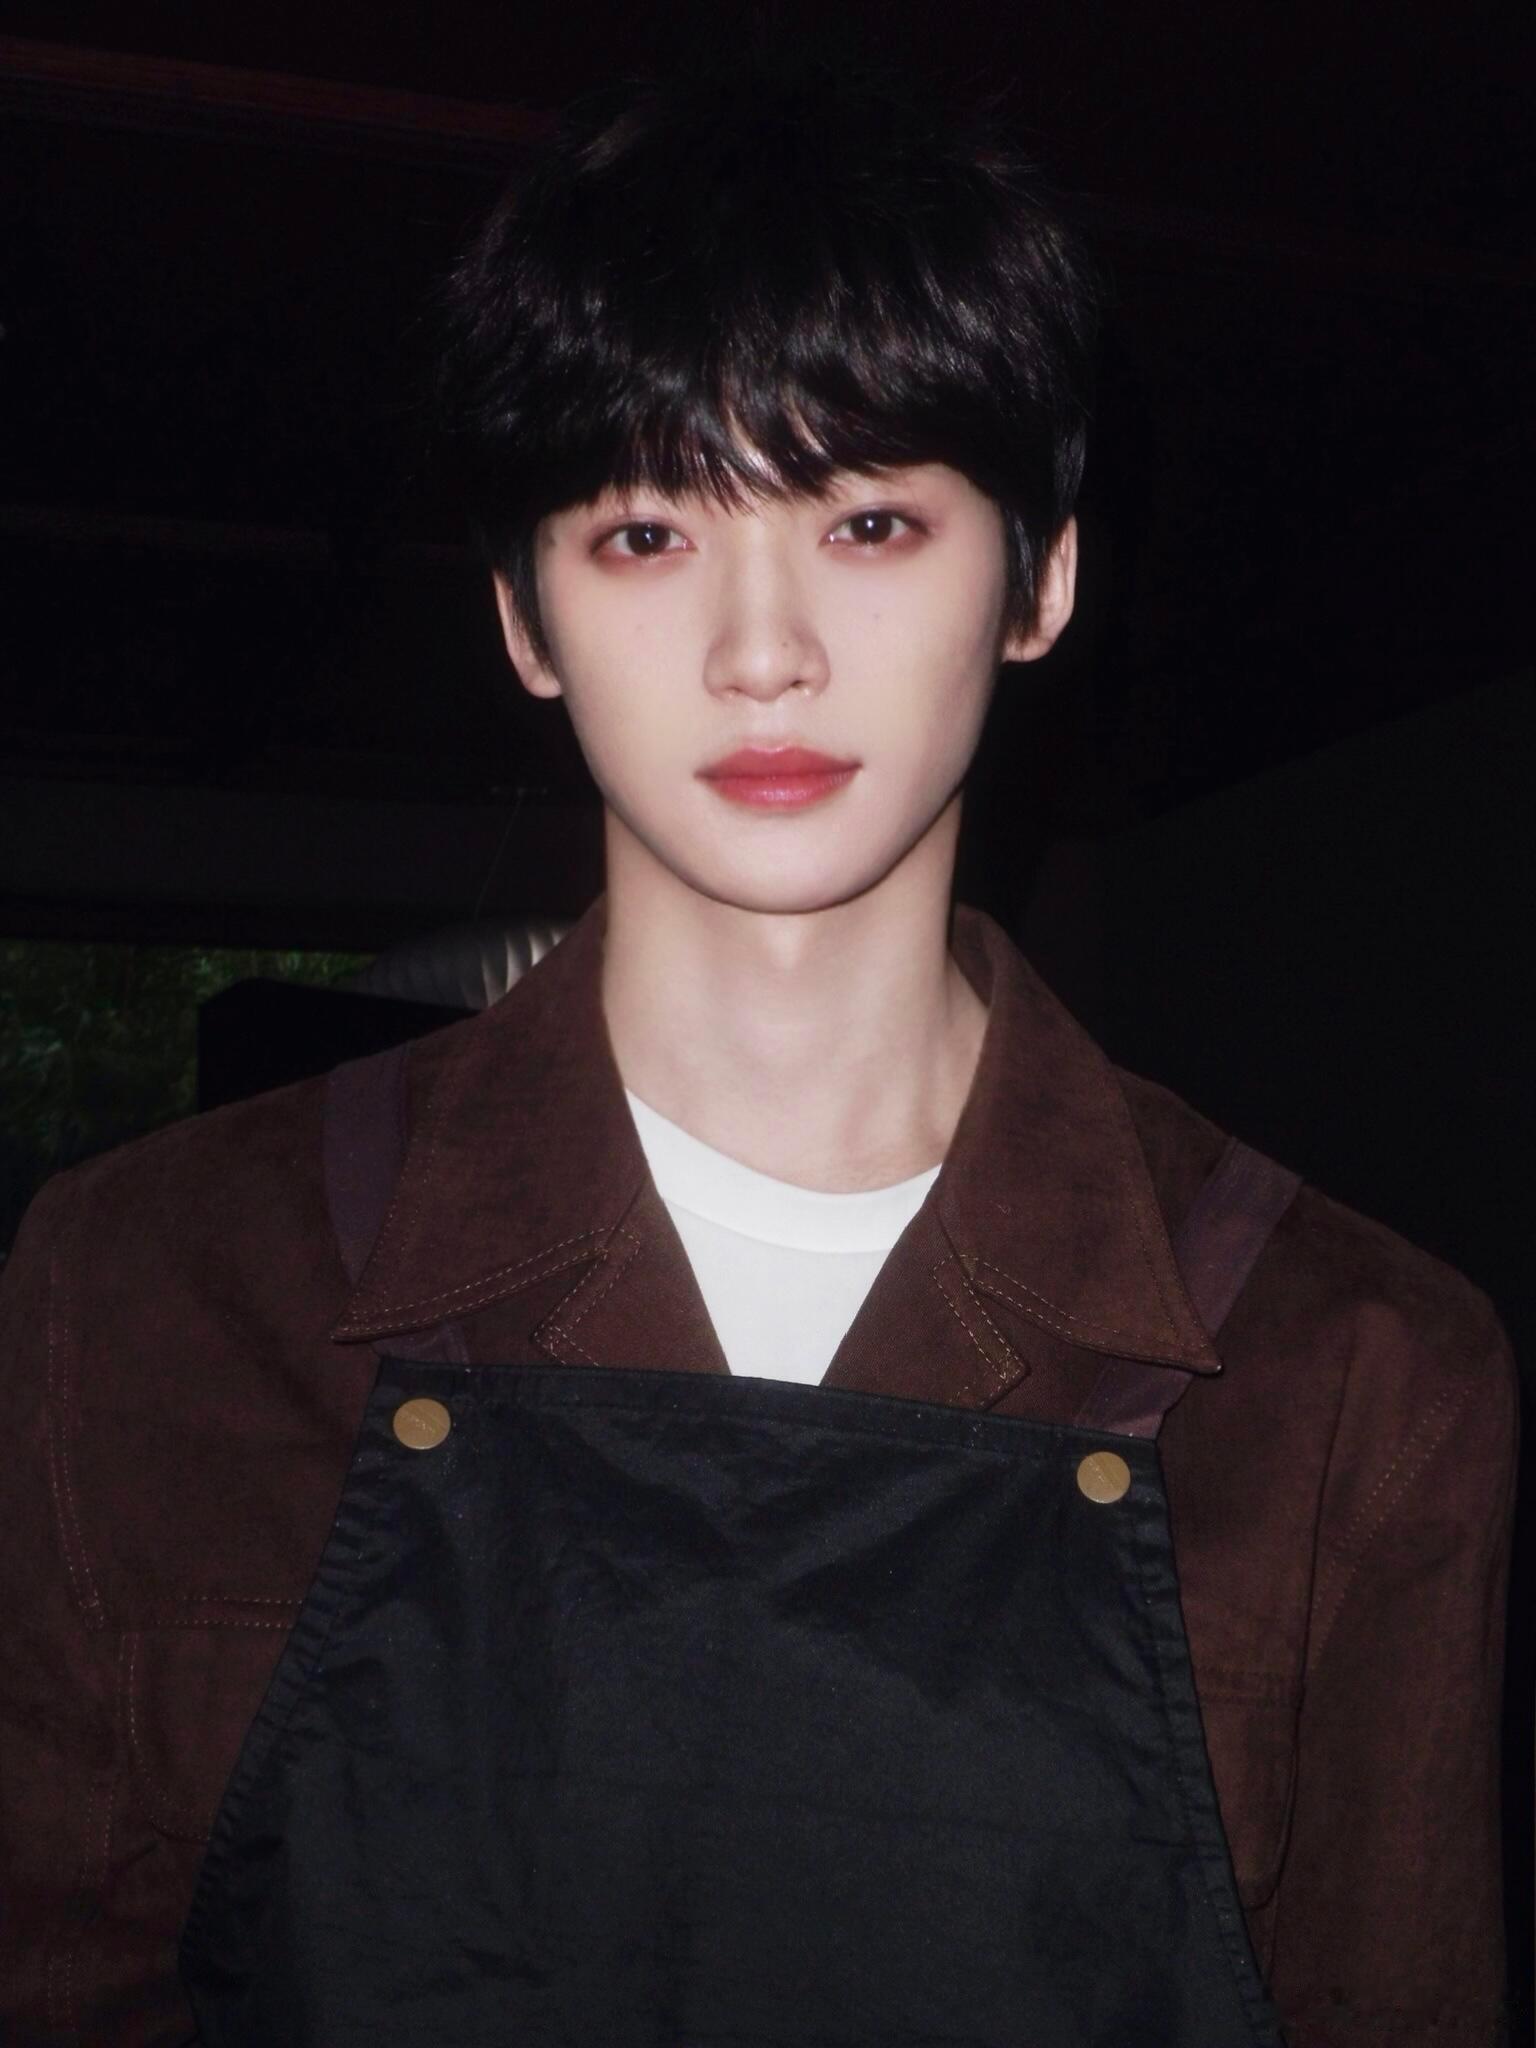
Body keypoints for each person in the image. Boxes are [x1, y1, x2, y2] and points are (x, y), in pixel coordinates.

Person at [0, 59, 1515, 2048]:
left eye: (870, 519)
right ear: (525, 617)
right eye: (646, 532)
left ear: (1042, 577)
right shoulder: (143, 1292)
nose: (763, 648)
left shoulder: (1358, 1380)